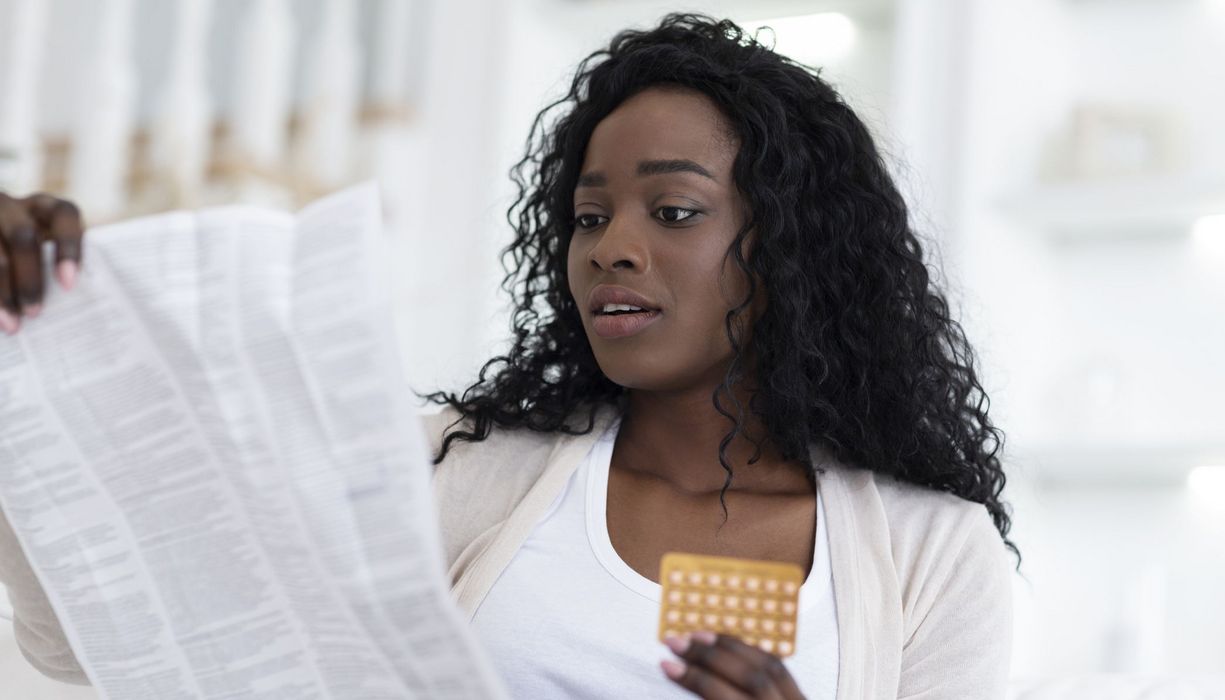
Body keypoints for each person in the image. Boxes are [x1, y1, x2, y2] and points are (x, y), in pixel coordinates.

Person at [0, 13, 1017, 700]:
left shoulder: (931, 554)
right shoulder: (449, 469)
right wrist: (28, 345)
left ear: (793, 248)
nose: (612, 246)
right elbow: (96, 629)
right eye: (586, 215)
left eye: (673, 210)